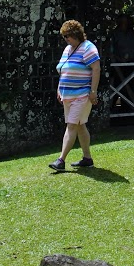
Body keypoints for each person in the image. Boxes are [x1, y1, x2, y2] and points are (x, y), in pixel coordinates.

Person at [50, 19, 100, 171]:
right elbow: (63, 70)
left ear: (76, 35)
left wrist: (93, 92)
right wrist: (60, 89)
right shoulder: (68, 49)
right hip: (68, 95)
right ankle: (87, 159)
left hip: (82, 95)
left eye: (67, 36)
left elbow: (96, 69)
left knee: (71, 125)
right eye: (64, 36)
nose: (65, 39)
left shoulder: (88, 48)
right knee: (79, 126)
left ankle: (61, 160)